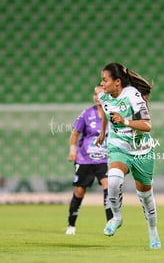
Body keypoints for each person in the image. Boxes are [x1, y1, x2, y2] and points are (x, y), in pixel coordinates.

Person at [95, 62, 161, 249]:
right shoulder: (103, 95)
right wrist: (102, 133)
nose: (102, 83)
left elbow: (147, 125)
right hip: (118, 148)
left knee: (146, 196)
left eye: (105, 80)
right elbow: (105, 114)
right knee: (114, 181)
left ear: (117, 82)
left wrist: (124, 120)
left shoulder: (132, 95)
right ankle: (117, 217)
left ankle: (152, 230)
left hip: (142, 151)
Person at [65, 85, 113, 235]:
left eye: (100, 93)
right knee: (79, 191)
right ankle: (71, 224)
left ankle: (110, 223)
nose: (96, 96)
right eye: (95, 94)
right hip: (85, 159)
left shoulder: (113, 114)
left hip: (104, 159)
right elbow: (75, 134)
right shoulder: (86, 113)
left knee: (108, 185)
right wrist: (73, 150)